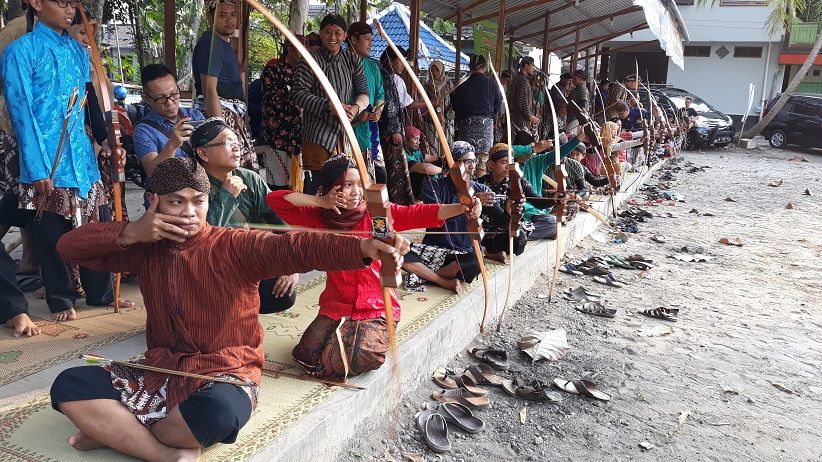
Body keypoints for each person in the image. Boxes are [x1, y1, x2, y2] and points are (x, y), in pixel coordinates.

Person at [49, 157, 401, 459]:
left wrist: (364, 247)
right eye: (176, 202)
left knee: (218, 414)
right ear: (153, 201)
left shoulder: (233, 245)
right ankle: (164, 453)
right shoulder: (144, 246)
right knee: (69, 384)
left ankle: (117, 431)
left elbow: (298, 248)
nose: (189, 213)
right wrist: (130, 232)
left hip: (226, 372)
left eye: (198, 201)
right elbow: (68, 248)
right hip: (161, 368)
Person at [266, 154, 470, 380]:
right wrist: (320, 201)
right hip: (336, 305)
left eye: (359, 185)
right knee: (306, 355)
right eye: (347, 185)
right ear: (331, 188)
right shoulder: (319, 218)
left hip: (377, 307)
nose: (356, 192)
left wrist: (463, 207)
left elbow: (420, 213)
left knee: (357, 357)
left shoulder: (378, 214)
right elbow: (275, 200)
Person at [2, 0, 122, 321]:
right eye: (61, 2)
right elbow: (22, 112)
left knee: (95, 226)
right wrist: (37, 166)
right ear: (36, 3)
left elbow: (89, 103)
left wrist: (106, 141)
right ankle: (61, 299)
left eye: (72, 4)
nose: (69, 10)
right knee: (52, 230)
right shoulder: (20, 51)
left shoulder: (77, 51)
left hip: (81, 155)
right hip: (46, 156)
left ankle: (100, 294)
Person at [192, 118, 299, 313]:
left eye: (237, 142)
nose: (236, 148)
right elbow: (198, 242)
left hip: (244, 259)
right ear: (203, 153)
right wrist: (226, 196)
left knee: (283, 293)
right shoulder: (193, 186)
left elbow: (279, 224)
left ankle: (237, 305)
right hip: (210, 266)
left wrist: (290, 264)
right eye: (227, 143)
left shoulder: (249, 178)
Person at [402, 141, 498, 292]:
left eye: (474, 161)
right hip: (433, 249)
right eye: (467, 162)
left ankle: (425, 274)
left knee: (475, 262)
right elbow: (436, 217)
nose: (473, 166)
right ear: (452, 164)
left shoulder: (481, 189)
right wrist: (468, 202)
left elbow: (499, 220)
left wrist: (509, 210)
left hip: (461, 255)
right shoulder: (433, 185)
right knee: (396, 250)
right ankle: (441, 280)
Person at [293, 13, 369, 195]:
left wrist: (356, 108)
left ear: (344, 36)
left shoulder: (352, 59)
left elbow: (364, 93)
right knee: (317, 191)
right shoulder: (309, 60)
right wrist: (328, 105)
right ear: (321, 34)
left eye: (338, 33)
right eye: (327, 32)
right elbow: (298, 94)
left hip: (345, 136)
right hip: (317, 137)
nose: (332, 37)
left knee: (343, 188)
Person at [193, 0, 256, 170]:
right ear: (209, 17)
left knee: (242, 174)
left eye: (233, 15)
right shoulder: (210, 45)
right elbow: (209, 90)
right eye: (222, 15)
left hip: (232, 115)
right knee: (232, 172)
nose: (229, 20)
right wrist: (220, 131)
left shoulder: (221, 44)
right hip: (223, 115)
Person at [133, 64, 205, 177]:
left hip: (202, 182)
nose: (170, 103)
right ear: (146, 99)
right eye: (160, 98)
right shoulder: (143, 130)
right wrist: (172, 145)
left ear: (178, 88)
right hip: (170, 187)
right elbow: (151, 173)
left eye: (174, 94)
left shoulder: (195, 115)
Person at [476, 144, 537, 262]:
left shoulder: (517, 182)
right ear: (491, 164)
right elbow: (500, 219)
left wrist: (556, 199)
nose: (508, 166)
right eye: (503, 162)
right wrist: (509, 212)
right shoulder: (481, 185)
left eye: (511, 162)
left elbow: (537, 201)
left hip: (506, 229)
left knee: (520, 237)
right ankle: (488, 252)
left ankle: (492, 252)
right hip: (486, 232)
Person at [259, 35, 305, 190]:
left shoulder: (304, 72)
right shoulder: (273, 69)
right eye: (299, 49)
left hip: (298, 137)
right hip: (276, 136)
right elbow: (268, 98)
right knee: (277, 184)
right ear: (290, 48)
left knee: (296, 184)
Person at [346, 21, 386, 183]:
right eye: (367, 39)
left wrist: (378, 110)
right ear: (353, 40)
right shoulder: (341, 63)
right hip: (347, 134)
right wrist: (355, 114)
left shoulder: (372, 66)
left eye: (371, 40)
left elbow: (380, 93)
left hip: (369, 133)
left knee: (377, 178)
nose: (371, 44)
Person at [378, 45, 418, 205]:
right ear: (390, 60)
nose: (403, 65)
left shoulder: (389, 75)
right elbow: (390, 106)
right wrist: (395, 130)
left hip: (390, 130)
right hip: (389, 132)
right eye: (400, 61)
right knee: (394, 169)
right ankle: (396, 203)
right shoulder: (385, 76)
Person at [451, 54, 502, 172]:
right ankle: (480, 180)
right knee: (482, 161)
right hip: (485, 125)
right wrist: (491, 117)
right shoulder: (492, 84)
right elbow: (498, 104)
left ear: (470, 67)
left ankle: (466, 181)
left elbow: (456, 106)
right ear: (483, 67)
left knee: (466, 158)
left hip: (466, 125)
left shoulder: (462, 85)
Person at [423, 59, 454, 155]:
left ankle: (447, 162)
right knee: (433, 144)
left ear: (441, 70)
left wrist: (447, 113)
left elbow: (454, 99)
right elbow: (423, 101)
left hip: (447, 118)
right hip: (432, 119)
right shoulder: (428, 85)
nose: (434, 73)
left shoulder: (448, 83)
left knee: (447, 144)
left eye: (437, 70)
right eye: (432, 70)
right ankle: (435, 161)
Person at [404, 125, 442, 199]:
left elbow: (430, 158)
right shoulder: (404, 156)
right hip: (416, 188)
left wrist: (442, 159)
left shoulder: (415, 151)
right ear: (406, 140)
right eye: (415, 139)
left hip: (423, 185)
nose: (418, 142)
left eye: (418, 139)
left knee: (438, 162)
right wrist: (442, 170)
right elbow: (427, 169)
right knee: (431, 172)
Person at [507, 56, 539, 135]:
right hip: (520, 120)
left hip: (518, 118)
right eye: (532, 65)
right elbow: (522, 101)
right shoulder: (522, 80)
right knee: (520, 140)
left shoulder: (520, 78)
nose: (533, 68)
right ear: (526, 65)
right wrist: (531, 116)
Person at [566, 69, 590, 134]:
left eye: (575, 78)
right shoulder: (577, 88)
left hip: (577, 119)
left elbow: (582, 105)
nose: (572, 80)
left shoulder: (582, 89)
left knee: (571, 136)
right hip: (573, 117)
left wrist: (571, 108)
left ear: (581, 78)